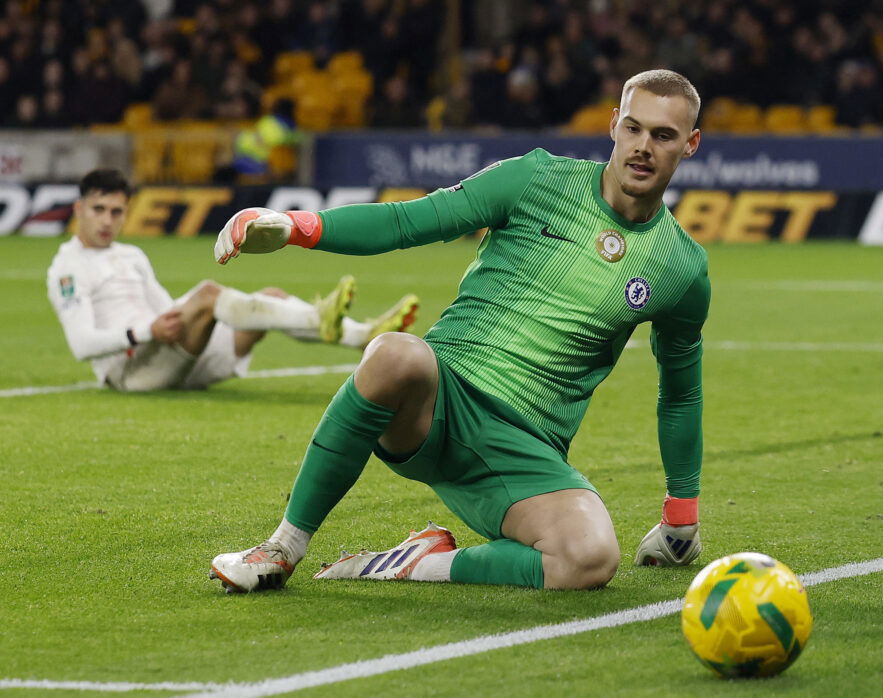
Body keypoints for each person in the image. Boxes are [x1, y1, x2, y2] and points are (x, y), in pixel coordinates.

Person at [209, 69, 708, 593]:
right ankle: (282, 547)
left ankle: (413, 563)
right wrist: (297, 227)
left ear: (690, 144)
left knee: (589, 559)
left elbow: (680, 393)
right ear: (613, 125)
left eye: (663, 135)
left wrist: (681, 514)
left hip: (524, 450)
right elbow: (409, 221)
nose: (643, 146)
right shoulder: (535, 178)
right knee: (397, 354)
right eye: (633, 128)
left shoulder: (681, 267)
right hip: (437, 402)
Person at [47, 169, 419, 392]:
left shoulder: (131, 255)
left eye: (116, 212)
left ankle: (361, 336)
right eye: (98, 210)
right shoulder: (67, 267)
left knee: (272, 298)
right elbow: (82, 345)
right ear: (79, 210)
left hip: (171, 351)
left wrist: (173, 320)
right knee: (209, 294)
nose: (107, 220)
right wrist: (146, 332)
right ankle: (332, 324)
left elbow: (164, 307)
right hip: (130, 370)